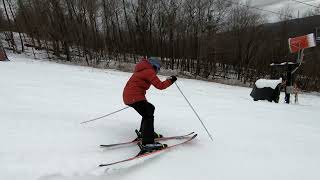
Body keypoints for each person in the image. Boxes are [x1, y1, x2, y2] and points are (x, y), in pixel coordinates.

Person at [123, 57, 177, 154]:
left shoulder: (143, 69)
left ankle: (144, 133)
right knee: (148, 114)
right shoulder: (149, 71)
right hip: (134, 97)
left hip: (131, 96)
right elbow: (160, 86)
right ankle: (147, 142)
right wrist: (171, 81)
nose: (157, 71)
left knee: (150, 108)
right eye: (158, 69)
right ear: (154, 66)